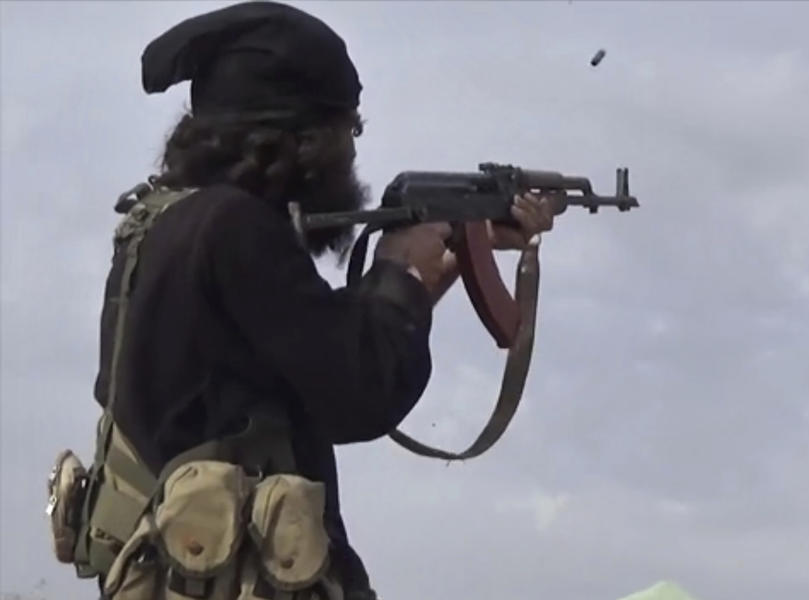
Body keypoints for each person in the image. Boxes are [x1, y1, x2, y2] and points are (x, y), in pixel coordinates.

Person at [55, 2, 555, 599]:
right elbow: (358, 392)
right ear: (297, 139)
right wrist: (401, 274)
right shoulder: (236, 229)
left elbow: (306, 367)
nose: (351, 151)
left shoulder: (164, 222)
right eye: (348, 130)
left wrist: (432, 273)